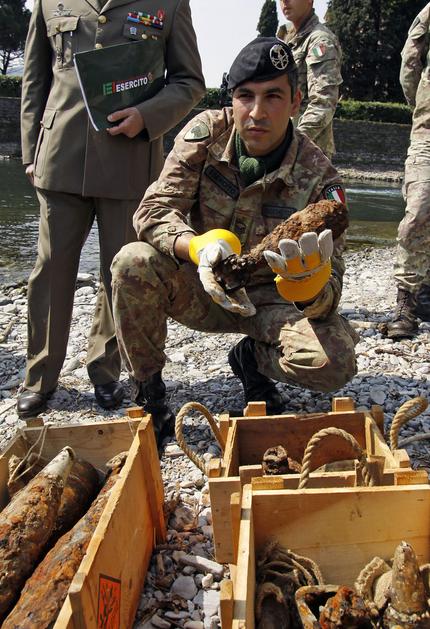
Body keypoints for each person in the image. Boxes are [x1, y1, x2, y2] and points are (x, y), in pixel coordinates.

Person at [111, 37, 358, 445]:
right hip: (200, 287)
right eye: (246, 96)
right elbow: (153, 211)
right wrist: (194, 246)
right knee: (131, 262)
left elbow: (334, 283)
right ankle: (149, 392)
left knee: (334, 361)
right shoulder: (206, 133)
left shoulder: (321, 179)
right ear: (233, 98)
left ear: (296, 102)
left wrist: (310, 289)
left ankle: (252, 363)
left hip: (268, 300)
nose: (257, 112)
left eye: (273, 97)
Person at [18, 0, 205, 418]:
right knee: (50, 269)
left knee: (117, 272)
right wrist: (31, 151)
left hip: (129, 161)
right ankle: (39, 377)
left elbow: (190, 81)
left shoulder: (168, 4)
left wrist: (147, 115)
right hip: (60, 155)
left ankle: (105, 372)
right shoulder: (50, 0)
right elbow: (35, 80)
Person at [387, 3, 430, 339]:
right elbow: (410, 58)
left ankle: (425, 290)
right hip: (428, 134)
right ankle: (406, 303)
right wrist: (417, 105)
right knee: (417, 213)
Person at [277, 0, 342, 159]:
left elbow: (324, 103)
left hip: (308, 153)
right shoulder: (286, 39)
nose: (284, 1)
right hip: (284, 147)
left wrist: (292, 142)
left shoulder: (320, 41)